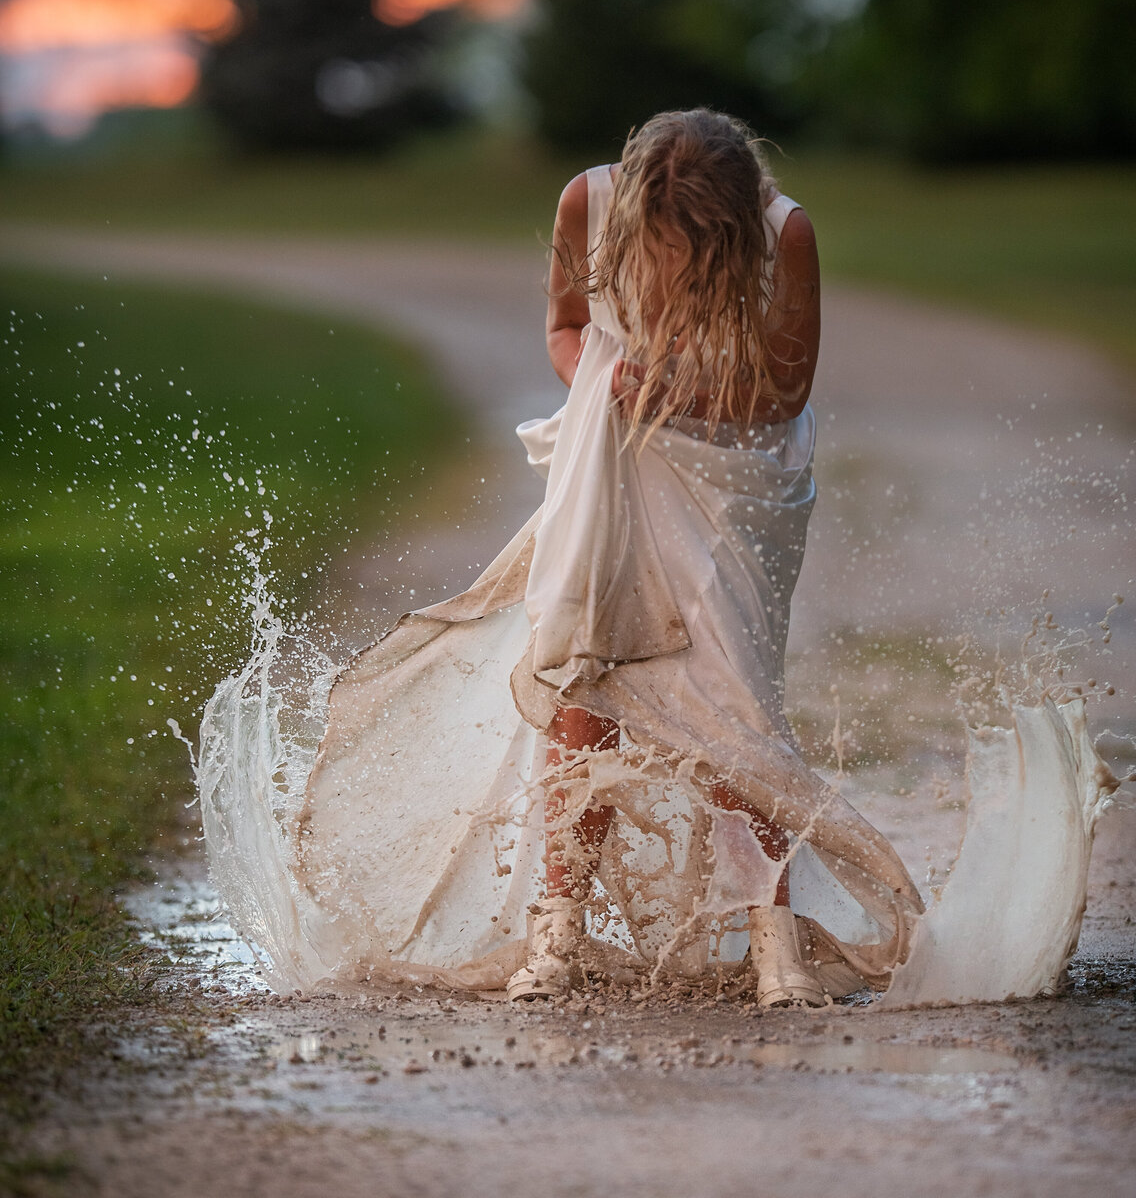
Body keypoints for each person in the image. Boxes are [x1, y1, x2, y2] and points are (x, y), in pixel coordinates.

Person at [298, 108, 922, 1006]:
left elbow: (787, 387)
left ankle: (772, 946)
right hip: (613, 453)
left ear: (733, 225)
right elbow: (564, 329)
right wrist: (610, 377)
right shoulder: (585, 204)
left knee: (731, 700)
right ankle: (558, 934)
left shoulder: (788, 235)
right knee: (582, 678)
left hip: (734, 474)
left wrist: (693, 386)